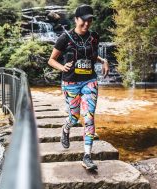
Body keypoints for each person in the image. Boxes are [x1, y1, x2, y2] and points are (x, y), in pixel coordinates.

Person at [48, 4, 109, 170]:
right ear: (76, 19)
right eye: (84, 20)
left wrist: (104, 61)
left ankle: (87, 156)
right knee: (74, 118)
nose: (87, 24)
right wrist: (62, 68)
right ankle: (66, 128)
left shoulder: (94, 37)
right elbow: (51, 60)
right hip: (71, 82)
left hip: (89, 81)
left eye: (90, 20)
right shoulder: (65, 37)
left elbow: (93, 55)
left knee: (89, 117)